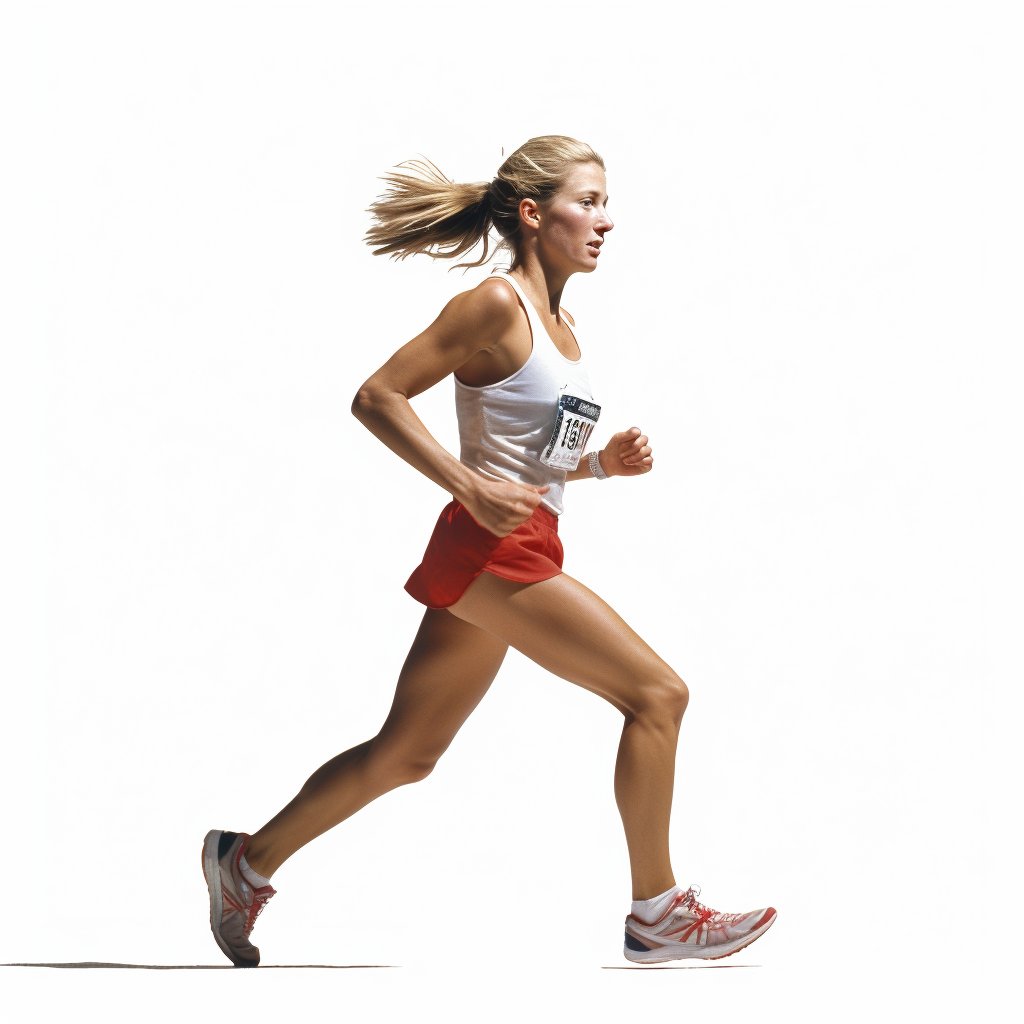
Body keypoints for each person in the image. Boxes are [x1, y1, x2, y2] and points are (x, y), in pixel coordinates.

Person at [202, 135, 776, 966]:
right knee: (658, 694)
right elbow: (377, 396)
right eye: (589, 201)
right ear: (535, 214)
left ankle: (243, 863)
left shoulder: (564, 326)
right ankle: (657, 911)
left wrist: (599, 468)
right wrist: (463, 486)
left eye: (609, 203)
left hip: (522, 539)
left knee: (407, 753)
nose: (607, 220)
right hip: (490, 549)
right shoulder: (494, 305)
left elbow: (530, 459)